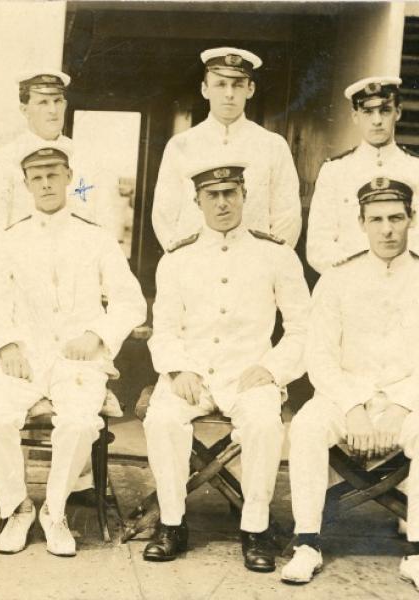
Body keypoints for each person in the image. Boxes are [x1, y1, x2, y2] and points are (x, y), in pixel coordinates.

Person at [0, 141, 146, 557]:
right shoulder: (9, 240)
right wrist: (7, 343)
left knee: (80, 425)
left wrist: (97, 335)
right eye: (37, 178)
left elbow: (129, 301)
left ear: (69, 179)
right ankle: (17, 508)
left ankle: (55, 510)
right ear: (27, 184)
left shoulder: (96, 238)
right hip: (25, 360)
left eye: (54, 175)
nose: (47, 184)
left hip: (78, 361)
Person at [143, 161, 310, 571]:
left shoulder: (275, 255)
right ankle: (170, 523)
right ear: (197, 201)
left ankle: (255, 528)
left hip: (248, 372)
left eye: (229, 193)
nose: (222, 203)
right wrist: (178, 368)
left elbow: (303, 328)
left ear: (244, 196)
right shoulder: (176, 259)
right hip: (191, 374)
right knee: (161, 419)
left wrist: (272, 369)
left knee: (264, 424)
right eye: (211, 196)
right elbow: (162, 330)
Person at [283, 176, 419, 587]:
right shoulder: (338, 277)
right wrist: (353, 405)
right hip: (343, 395)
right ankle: (307, 542)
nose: (387, 229)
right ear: (361, 222)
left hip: (410, 398)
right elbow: (319, 356)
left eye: (396, 217)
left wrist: (400, 404)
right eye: (376, 219)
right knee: (306, 427)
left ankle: (416, 550)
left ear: (412, 218)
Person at [0, 69, 99, 501]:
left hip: (71, 288)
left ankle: (76, 484)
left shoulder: (80, 159)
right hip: (19, 290)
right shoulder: (2, 161)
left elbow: (91, 217)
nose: (51, 109)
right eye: (41, 101)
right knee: (13, 388)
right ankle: (15, 490)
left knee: (79, 378)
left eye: (57, 101)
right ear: (24, 107)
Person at [151, 47, 301, 251]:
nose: (229, 94)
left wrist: (269, 263)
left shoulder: (273, 145)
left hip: (254, 266)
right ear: (205, 89)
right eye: (220, 84)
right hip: (195, 266)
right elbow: (164, 215)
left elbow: (287, 216)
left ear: (250, 89)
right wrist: (181, 262)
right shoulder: (181, 145)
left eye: (237, 85)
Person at [306, 76, 419, 274]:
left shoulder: (414, 169)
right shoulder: (335, 172)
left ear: (397, 113)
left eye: (385, 110)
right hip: (349, 286)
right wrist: (356, 277)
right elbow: (318, 245)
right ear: (355, 116)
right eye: (368, 112)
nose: (377, 121)